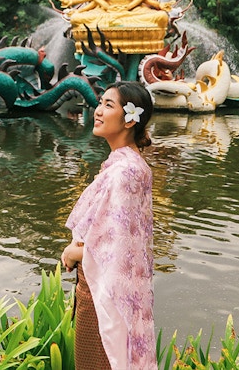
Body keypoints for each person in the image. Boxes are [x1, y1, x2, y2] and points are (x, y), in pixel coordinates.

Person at [61, 81, 158, 370]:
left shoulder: (124, 172)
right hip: (118, 293)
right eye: (100, 103)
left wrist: (74, 253)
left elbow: (117, 250)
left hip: (105, 297)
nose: (98, 111)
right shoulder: (132, 164)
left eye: (108, 105)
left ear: (130, 119)